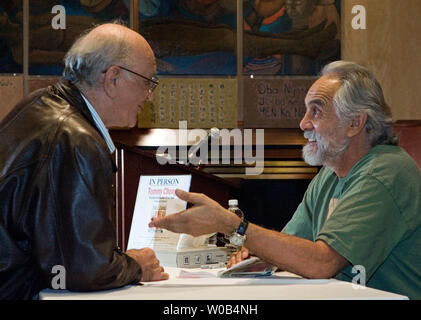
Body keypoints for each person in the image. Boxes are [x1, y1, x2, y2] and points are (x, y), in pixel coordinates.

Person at [149, 61, 421, 300]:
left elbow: (321, 263)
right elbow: (292, 247)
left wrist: (232, 225)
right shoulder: (329, 174)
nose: (303, 124)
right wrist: (255, 257)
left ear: (355, 123)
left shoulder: (384, 172)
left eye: (316, 112)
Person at [0, 22, 168, 300]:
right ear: (113, 78)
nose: (149, 97)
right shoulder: (76, 139)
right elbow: (84, 271)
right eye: (147, 82)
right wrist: (136, 265)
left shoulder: (40, 103)